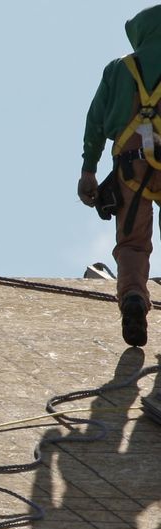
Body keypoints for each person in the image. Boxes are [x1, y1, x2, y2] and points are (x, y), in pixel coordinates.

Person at [78, 5, 161, 347]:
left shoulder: (118, 70)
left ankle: (133, 298)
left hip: (130, 166)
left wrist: (88, 170)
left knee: (132, 242)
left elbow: (95, 123)